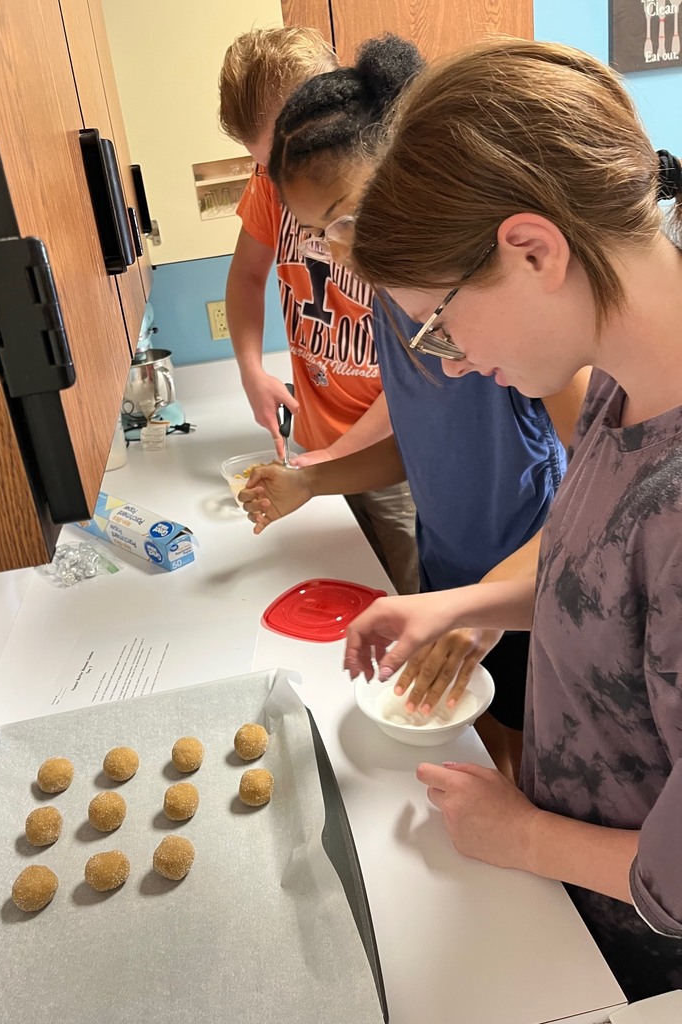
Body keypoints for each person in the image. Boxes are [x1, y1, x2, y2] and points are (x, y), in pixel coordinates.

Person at [342, 38, 682, 1000]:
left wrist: (521, 836)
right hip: (566, 903)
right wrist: (460, 607)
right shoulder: (620, 380)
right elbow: (605, 587)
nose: (448, 362)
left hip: (640, 967)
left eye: (440, 323)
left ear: (533, 250)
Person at [241, 36, 589, 780]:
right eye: (319, 235)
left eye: (347, 219)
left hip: (525, 583)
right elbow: (419, 442)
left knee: (529, 756)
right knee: (480, 741)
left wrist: (487, 606)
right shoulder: (391, 306)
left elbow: (600, 496)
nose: (339, 251)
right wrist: (313, 479)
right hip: (448, 573)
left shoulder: (507, 312)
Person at [219, 28, 419, 596]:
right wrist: (251, 371)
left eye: (290, 159)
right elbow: (247, 275)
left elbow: (419, 368)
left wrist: (329, 463)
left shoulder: (391, 207)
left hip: (388, 452)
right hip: (316, 445)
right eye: (267, 168)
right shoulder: (270, 186)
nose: (279, 183)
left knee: (406, 589)